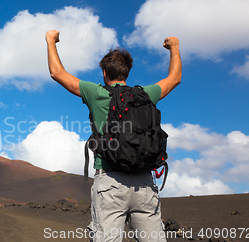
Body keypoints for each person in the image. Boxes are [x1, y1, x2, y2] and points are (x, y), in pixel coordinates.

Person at [46, 29, 181, 242]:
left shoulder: (96, 93)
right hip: (145, 183)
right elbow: (174, 78)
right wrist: (174, 47)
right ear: (127, 73)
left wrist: (50, 40)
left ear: (104, 74)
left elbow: (57, 73)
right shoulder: (146, 94)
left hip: (109, 182)